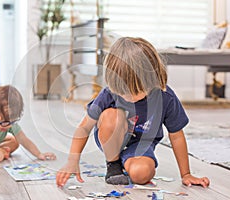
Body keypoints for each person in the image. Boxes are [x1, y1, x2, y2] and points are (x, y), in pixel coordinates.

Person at [56, 37, 210, 188]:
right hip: (111, 136)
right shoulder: (108, 93)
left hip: (140, 145)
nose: (130, 98)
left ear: (153, 80)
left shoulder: (165, 97)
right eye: (123, 92)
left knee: (141, 174)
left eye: (136, 91)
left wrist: (186, 174)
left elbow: (176, 136)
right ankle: (114, 163)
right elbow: (84, 127)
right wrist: (72, 160)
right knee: (112, 116)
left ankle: (126, 161)